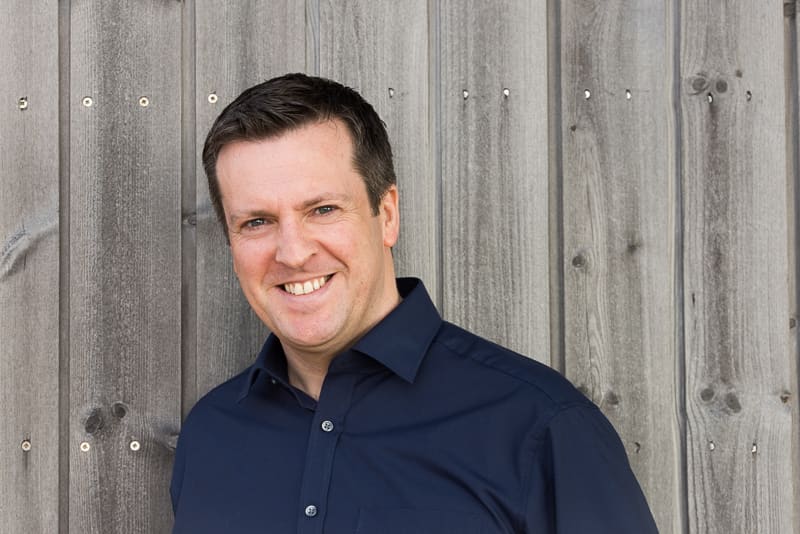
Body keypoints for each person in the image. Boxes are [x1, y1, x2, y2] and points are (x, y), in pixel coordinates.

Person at [170, 73, 658, 533]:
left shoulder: (540, 427)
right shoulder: (211, 437)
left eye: (322, 210)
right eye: (256, 221)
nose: (293, 252)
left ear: (386, 214)